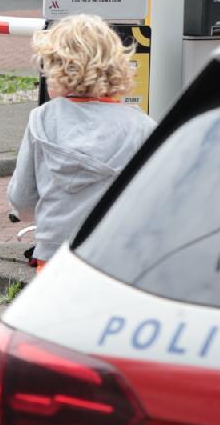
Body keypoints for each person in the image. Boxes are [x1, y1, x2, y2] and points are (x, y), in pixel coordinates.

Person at [8, 16, 154, 271]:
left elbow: (22, 199)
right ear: (117, 65)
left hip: (55, 255)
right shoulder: (141, 127)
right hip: (119, 255)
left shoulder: (41, 120)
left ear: (55, 70)